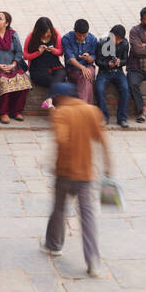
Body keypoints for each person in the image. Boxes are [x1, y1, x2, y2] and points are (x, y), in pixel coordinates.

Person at [41, 82, 110, 276]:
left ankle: (54, 244)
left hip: (65, 172)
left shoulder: (61, 113)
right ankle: (93, 260)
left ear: (60, 98)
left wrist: (53, 114)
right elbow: (103, 141)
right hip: (86, 173)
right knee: (87, 218)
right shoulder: (92, 111)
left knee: (58, 209)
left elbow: (61, 139)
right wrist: (108, 167)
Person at [0, 11, 29, 123]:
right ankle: (3, 112)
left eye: (0, 18)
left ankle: (16, 111)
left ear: (7, 23)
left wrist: (13, 64)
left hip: (12, 66)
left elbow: (19, 52)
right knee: (3, 82)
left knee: (23, 83)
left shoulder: (13, 34)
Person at [91, 24, 131, 128]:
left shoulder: (125, 44)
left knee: (125, 89)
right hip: (104, 71)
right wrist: (107, 64)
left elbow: (125, 60)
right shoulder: (102, 43)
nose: (117, 42)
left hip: (118, 71)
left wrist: (119, 62)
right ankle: (104, 117)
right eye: (115, 39)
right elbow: (98, 61)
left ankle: (122, 118)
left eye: (119, 40)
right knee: (99, 89)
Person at [26, 16, 67, 108]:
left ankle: (49, 100)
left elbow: (60, 52)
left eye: (48, 33)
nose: (46, 35)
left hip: (54, 63)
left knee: (62, 73)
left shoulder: (55, 34)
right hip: (38, 67)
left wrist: (53, 50)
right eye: (43, 33)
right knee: (58, 82)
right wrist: (38, 52)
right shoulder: (31, 37)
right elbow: (25, 55)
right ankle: (52, 102)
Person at [63, 18, 98, 104]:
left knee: (86, 75)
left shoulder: (93, 39)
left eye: (84, 36)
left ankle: (82, 107)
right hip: (73, 69)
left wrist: (89, 58)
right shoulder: (67, 38)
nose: (82, 38)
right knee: (85, 78)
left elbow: (94, 57)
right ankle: (86, 108)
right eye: (79, 36)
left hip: (89, 67)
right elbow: (71, 58)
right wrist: (82, 67)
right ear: (74, 30)